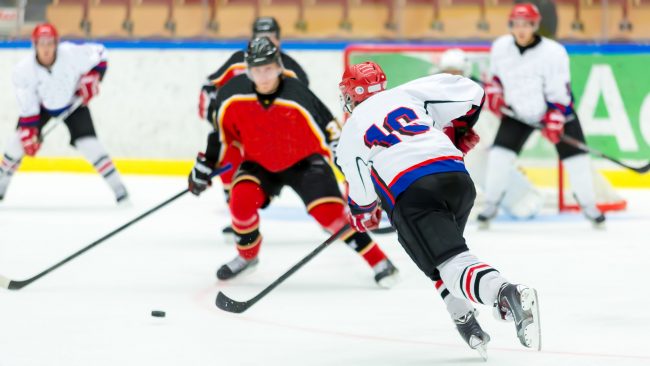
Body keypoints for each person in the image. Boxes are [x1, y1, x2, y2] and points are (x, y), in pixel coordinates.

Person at [336, 61, 541, 356]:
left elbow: (364, 198)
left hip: (416, 193)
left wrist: (361, 214)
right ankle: (463, 318)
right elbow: (472, 92)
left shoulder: (352, 129)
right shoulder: (409, 93)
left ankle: (504, 293)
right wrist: (457, 132)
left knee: (451, 264)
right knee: (437, 255)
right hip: (457, 181)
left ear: (350, 95)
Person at [188, 37, 399, 287]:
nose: (263, 76)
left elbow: (332, 132)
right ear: (248, 69)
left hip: (305, 163)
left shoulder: (297, 93)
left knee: (329, 213)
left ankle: (380, 261)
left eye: (268, 68)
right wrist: (205, 166)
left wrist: (352, 174)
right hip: (259, 163)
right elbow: (220, 136)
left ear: (278, 66)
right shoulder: (230, 94)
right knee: (240, 201)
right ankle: (247, 257)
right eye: (257, 70)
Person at [479, 3, 605, 227]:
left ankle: (589, 206)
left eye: (526, 25)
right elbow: (496, 78)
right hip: (518, 113)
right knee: (499, 156)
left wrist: (556, 117)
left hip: (555, 112)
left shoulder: (553, 52)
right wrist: (495, 92)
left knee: (577, 159)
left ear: (535, 26)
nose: (521, 30)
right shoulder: (500, 47)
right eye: (517, 24)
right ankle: (491, 205)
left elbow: (561, 91)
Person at [198, 16, 309, 237]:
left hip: (277, 140)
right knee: (230, 161)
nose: (264, 41)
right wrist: (217, 118)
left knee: (308, 174)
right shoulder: (238, 60)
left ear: (278, 40)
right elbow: (209, 88)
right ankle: (239, 218)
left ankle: (331, 211)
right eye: (259, 37)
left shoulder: (291, 68)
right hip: (242, 136)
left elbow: (304, 104)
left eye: (269, 37)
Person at [0, 23, 128, 204]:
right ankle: (1, 186)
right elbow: (28, 104)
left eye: (50, 42)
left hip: (73, 103)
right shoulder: (23, 70)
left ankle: (119, 189)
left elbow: (101, 53)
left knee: (90, 146)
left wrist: (93, 76)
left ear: (56, 43)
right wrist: (29, 131)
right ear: (35, 44)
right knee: (16, 144)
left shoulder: (71, 54)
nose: (46, 48)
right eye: (42, 43)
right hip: (41, 108)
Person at [438, 48, 544, 219]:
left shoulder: (477, 91)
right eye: (447, 71)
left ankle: (524, 199)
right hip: (458, 145)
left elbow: (488, 120)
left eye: (455, 71)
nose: (451, 76)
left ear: (464, 71)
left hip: (478, 145)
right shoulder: (436, 91)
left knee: (491, 168)